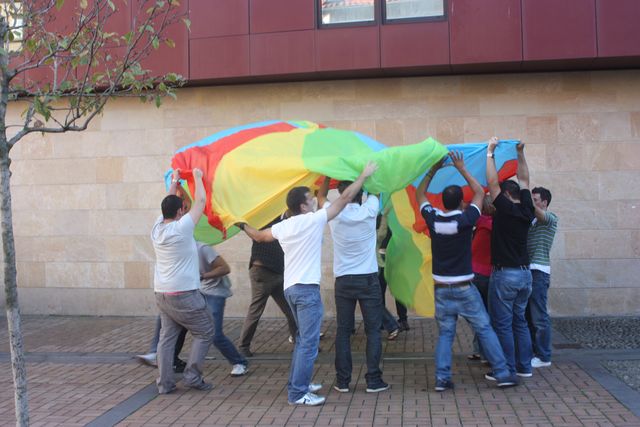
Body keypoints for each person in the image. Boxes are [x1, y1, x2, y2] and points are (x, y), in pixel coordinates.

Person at [238, 161, 378, 406]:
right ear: (303, 206)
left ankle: (298, 383)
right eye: (309, 199)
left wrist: (240, 224)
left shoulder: (285, 225)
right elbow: (344, 199)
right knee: (309, 344)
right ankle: (298, 393)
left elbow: (259, 236)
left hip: (291, 289)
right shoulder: (312, 220)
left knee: (303, 340)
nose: (315, 200)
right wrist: (364, 176)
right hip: (305, 291)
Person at [416, 151, 518, 392]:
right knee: (484, 328)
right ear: (460, 201)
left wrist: (432, 170)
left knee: (445, 335)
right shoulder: (466, 219)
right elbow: (481, 193)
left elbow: (420, 194)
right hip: (464, 288)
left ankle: (442, 379)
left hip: (441, 289)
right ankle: (503, 373)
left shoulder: (433, 219)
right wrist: (461, 167)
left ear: (442, 201)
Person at [317, 178, 389, 394]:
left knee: (343, 331)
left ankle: (342, 381)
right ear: (361, 195)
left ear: (341, 195)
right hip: (367, 278)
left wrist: (327, 176)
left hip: (344, 281)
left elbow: (320, 197)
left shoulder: (334, 214)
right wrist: (366, 177)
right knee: (373, 331)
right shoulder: (369, 209)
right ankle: (374, 380)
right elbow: (379, 189)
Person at [151, 168, 214, 394]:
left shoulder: (157, 228)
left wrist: (175, 183)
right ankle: (192, 377)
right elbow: (201, 201)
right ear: (180, 211)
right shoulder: (182, 227)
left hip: (162, 294)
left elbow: (167, 202)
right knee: (205, 331)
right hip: (184, 294)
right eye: (182, 208)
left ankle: (165, 384)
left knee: (167, 339)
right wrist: (197, 176)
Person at [485, 138, 536, 380]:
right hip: (525, 275)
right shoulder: (527, 209)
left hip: (505, 274)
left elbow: (492, 183)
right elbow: (525, 178)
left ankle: (505, 369)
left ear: (506, 195)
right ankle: (524, 367)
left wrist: (490, 153)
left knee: (503, 324)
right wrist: (520, 153)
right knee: (520, 322)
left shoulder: (504, 209)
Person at [238, 215, 298, 358]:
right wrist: (241, 224)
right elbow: (255, 234)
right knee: (256, 311)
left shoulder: (283, 222)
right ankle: (243, 346)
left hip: (276, 273)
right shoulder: (263, 219)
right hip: (263, 272)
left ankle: (299, 342)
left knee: (290, 310)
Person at [197, 242, 249, 376]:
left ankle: (239, 362)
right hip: (196, 292)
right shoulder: (176, 249)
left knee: (215, 334)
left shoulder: (203, 248)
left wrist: (203, 276)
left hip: (214, 293)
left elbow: (225, 268)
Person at [525, 187, 558, 368]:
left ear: (544, 202)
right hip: (527, 270)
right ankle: (533, 352)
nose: (533, 202)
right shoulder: (531, 222)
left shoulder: (550, 218)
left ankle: (544, 356)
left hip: (539, 271)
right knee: (529, 316)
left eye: (535, 199)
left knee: (539, 317)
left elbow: (541, 215)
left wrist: (525, 199)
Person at [467, 195, 495, 362]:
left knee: (478, 315)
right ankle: (480, 350)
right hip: (489, 274)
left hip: (477, 275)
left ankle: (484, 352)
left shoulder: (482, 222)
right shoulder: (495, 224)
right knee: (484, 314)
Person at [376, 214, 406, 338]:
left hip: (383, 256)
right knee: (397, 290)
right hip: (395, 256)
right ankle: (403, 319)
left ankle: (385, 322)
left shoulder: (378, 214)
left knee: (380, 290)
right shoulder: (397, 214)